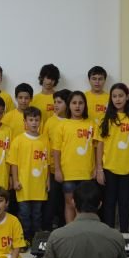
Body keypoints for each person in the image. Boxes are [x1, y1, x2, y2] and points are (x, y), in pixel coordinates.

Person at [95, 83, 129, 233]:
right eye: (114, 96)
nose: (117, 99)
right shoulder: (106, 118)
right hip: (109, 168)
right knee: (109, 203)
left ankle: (124, 233)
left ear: (127, 97)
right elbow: (99, 145)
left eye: (121, 96)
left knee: (124, 203)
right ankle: (109, 233)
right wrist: (99, 169)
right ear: (111, 98)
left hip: (128, 169)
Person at [7, 106, 49, 244]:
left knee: (37, 215)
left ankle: (37, 241)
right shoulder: (18, 140)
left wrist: (48, 181)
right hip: (24, 185)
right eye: (31, 120)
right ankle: (24, 239)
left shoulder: (45, 140)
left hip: (39, 186)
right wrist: (15, 180)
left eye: (36, 120)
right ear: (25, 121)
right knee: (24, 214)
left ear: (40, 121)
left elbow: (47, 163)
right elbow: (13, 163)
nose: (34, 123)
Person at [53, 91, 96, 224]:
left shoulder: (92, 124)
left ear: (85, 105)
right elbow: (56, 150)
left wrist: (96, 168)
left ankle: (84, 231)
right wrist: (58, 170)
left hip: (87, 173)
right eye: (74, 103)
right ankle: (70, 231)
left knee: (86, 206)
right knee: (70, 204)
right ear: (69, 105)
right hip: (68, 173)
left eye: (80, 103)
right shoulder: (62, 125)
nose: (77, 106)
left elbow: (96, 148)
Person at [41, 89, 70, 230]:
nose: (56, 105)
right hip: (53, 169)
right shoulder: (50, 122)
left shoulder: (72, 121)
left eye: (59, 102)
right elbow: (44, 145)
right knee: (52, 202)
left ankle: (65, 228)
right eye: (54, 102)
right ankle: (47, 230)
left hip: (70, 170)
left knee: (67, 203)